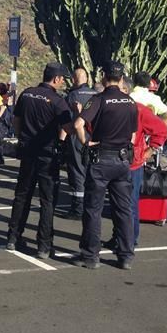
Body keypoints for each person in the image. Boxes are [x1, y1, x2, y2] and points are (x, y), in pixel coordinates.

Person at [6, 62, 74, 259]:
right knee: (47, 200)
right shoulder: (57, 101)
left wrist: (22, 138)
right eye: (62, 79)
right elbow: (68, 128)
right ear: (56, 79)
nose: (62, 83)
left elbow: (16, 120)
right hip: (47, 154)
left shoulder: (26, 94)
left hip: (27, 151)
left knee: (22, 195)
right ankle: (44, 245)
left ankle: (13, 236)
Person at [73, 61, 137, 270]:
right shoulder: (130, 102)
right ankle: (125, 255)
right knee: (124, 209)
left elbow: (78, 124)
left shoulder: (99, 100)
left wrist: (85, 142)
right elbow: (134, 135)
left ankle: (91, 255)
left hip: (102, 158)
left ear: (103, 76)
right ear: (121, 79)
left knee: (93, 208)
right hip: (122, 160)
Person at [103, 76, 167, 249]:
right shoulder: (110, 106)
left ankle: (130, 239)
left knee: (129, 203)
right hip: (114, 161)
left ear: (126, 91)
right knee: (117, 203)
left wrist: (150, 150)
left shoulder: (138, 110)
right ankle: (119, 236)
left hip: (132, 163)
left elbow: (161, 129)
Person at [61, 67, 97, 220]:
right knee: (92, 172)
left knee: (77, 172)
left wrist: (61, 141)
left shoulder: (72, 96)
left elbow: (66, 123)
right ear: (87, 79)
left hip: (76, 139)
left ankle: (77, 208)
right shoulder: (97, 95)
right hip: (94, 139)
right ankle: (91, 205)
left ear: (74, 80)